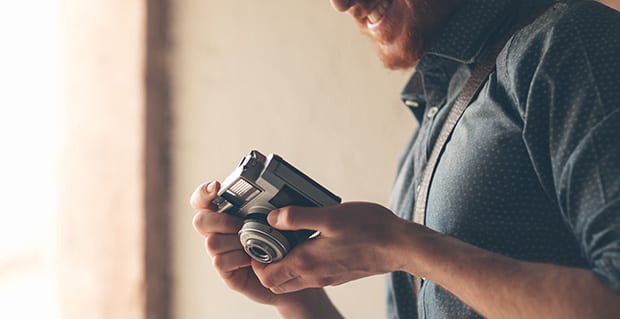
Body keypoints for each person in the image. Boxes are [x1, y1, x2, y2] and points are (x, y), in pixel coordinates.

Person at [190, 0, 620, 318]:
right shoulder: (425, 134)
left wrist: (401, 246)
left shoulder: (569, 43)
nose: (341, 4)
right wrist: (293, 294)